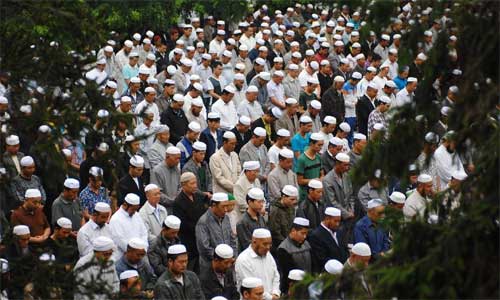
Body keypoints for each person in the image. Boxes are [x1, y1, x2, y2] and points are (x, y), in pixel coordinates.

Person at [173, 172, 209, 272]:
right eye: (192, 184)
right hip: (189, 240)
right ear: (183, 185)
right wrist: (199, 228)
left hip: (202, 236)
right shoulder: (178, 202)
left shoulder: (198, 196)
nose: (195, 186)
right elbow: (183, 225)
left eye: (195, 183)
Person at [196, 193, 237, 273]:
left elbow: (232, 240)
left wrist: (233, 256)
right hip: (211, 268)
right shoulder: (203, 222)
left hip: (227, 264)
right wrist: (222, 258)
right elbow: (204, 248)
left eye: (227, 206)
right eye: (223, 206)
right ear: (214, 205)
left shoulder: (226, 218)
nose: (226, 210)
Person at [235, 228, 280, 300]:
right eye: (265, 244)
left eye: (270, 244)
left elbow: (276, 276)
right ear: (254, 242)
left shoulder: (268, 255)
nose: (268, 247)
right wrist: (271, 298)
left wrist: (275, 293)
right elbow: (252, 287)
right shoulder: (243, 259)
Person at [276, 217, 312, 294]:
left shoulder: (306, 244)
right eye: (302, 233)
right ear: (293, 231)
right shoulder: (283, 249)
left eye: (306, 233)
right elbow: (287, 274)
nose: (305, 236)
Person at [308, 207, 349, 271]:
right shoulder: (316, 236)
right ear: (327, 219)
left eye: (339, 221)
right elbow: (321, 259)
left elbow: (344, 250)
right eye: (335, 221)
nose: (337, 224)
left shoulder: (338, 231)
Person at [108, 193, 148, 259]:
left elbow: (144, 233)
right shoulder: (116, 219)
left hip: (140, 254)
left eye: (136, 209)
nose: (135, 212)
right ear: (125, 205)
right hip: (123, 257)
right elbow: (120, 241)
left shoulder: (137, 215)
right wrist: (134, 253)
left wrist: (144, 249)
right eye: (133, 209)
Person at [236, 187, 267, 252]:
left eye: (262, 202)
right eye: (259, 202)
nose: (261, 205)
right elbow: (247, 244)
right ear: (250, 202)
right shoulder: (242, 222)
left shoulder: (261, 218)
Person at [295, 133, 324, 201]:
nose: (320, 147)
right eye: (319, 145)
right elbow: (300, 181)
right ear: (311, 144)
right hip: (305, 195)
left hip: (317, 193)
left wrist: (320, 179)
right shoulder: (302, 159)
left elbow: (322, 174)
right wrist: (313, 180)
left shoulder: (319, 157)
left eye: (321, 145)